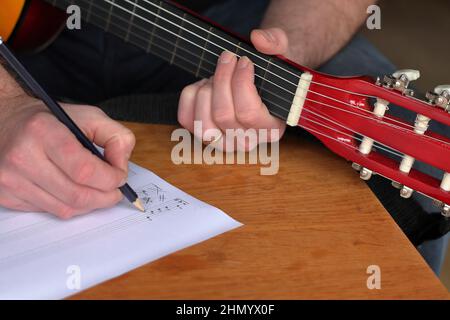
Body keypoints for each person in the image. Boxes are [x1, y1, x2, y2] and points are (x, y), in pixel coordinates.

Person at [0, 0, 447, 274]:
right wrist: (7, 108)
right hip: (16, 49)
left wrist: (285, 54)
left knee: (409, 192)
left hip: (235, 27)